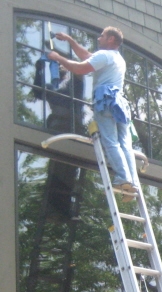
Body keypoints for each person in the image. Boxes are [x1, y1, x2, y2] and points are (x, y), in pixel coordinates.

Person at [47, 27, 139, 200]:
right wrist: (70, 40)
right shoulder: (117, 58)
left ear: (111, 39)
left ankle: (123, 178)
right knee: (125, 145)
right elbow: (87, 57)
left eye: (102, 36)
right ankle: (131, 182)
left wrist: (58, 58)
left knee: (111, 141)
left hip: (106, 100)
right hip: (120, 104)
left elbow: (81, 68)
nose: (99, 38)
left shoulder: (104, 55)